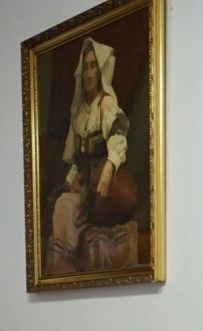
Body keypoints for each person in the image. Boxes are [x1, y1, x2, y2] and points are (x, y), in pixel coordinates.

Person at [45, 37, 136, 276]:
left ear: (102, 69)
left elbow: (118, 135)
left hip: (100, 189)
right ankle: (63, 270)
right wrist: (68, 183)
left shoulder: (105, 105)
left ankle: (66, 266)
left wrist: (109, 166)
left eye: (93, 66)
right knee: (61, 202)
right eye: (85, 67)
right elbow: (76, 159)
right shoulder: (79, 113)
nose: (88, 73)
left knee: (66, 206)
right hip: (83, 186)